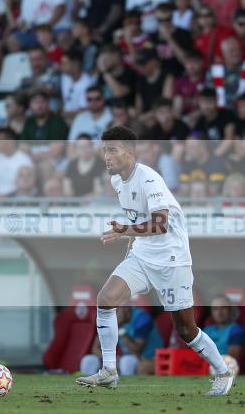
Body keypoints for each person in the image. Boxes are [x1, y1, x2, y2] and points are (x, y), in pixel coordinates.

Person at [75, 126, 235, 396]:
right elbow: (138, 220)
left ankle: (223, 372)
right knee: (106, 299)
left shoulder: (149, 179)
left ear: (129, 152)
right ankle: (109, 371)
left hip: (172, 260)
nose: (106, 157)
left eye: (112, 150)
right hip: (141, 256)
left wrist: (124, 229)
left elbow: (160, 224)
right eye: (104, 150)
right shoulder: (117, 182)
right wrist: (128, 252)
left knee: (186, 330)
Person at [80, 304, 162, 376]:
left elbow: (135, 350)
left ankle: (127, 391)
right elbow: (95, 348)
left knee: (127, 362)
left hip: (148, 359)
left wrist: (119, 328)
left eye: (117, 309)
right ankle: (90, 391)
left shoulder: (142, 318)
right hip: (127, 359)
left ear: (126, 308)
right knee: (88, 360)